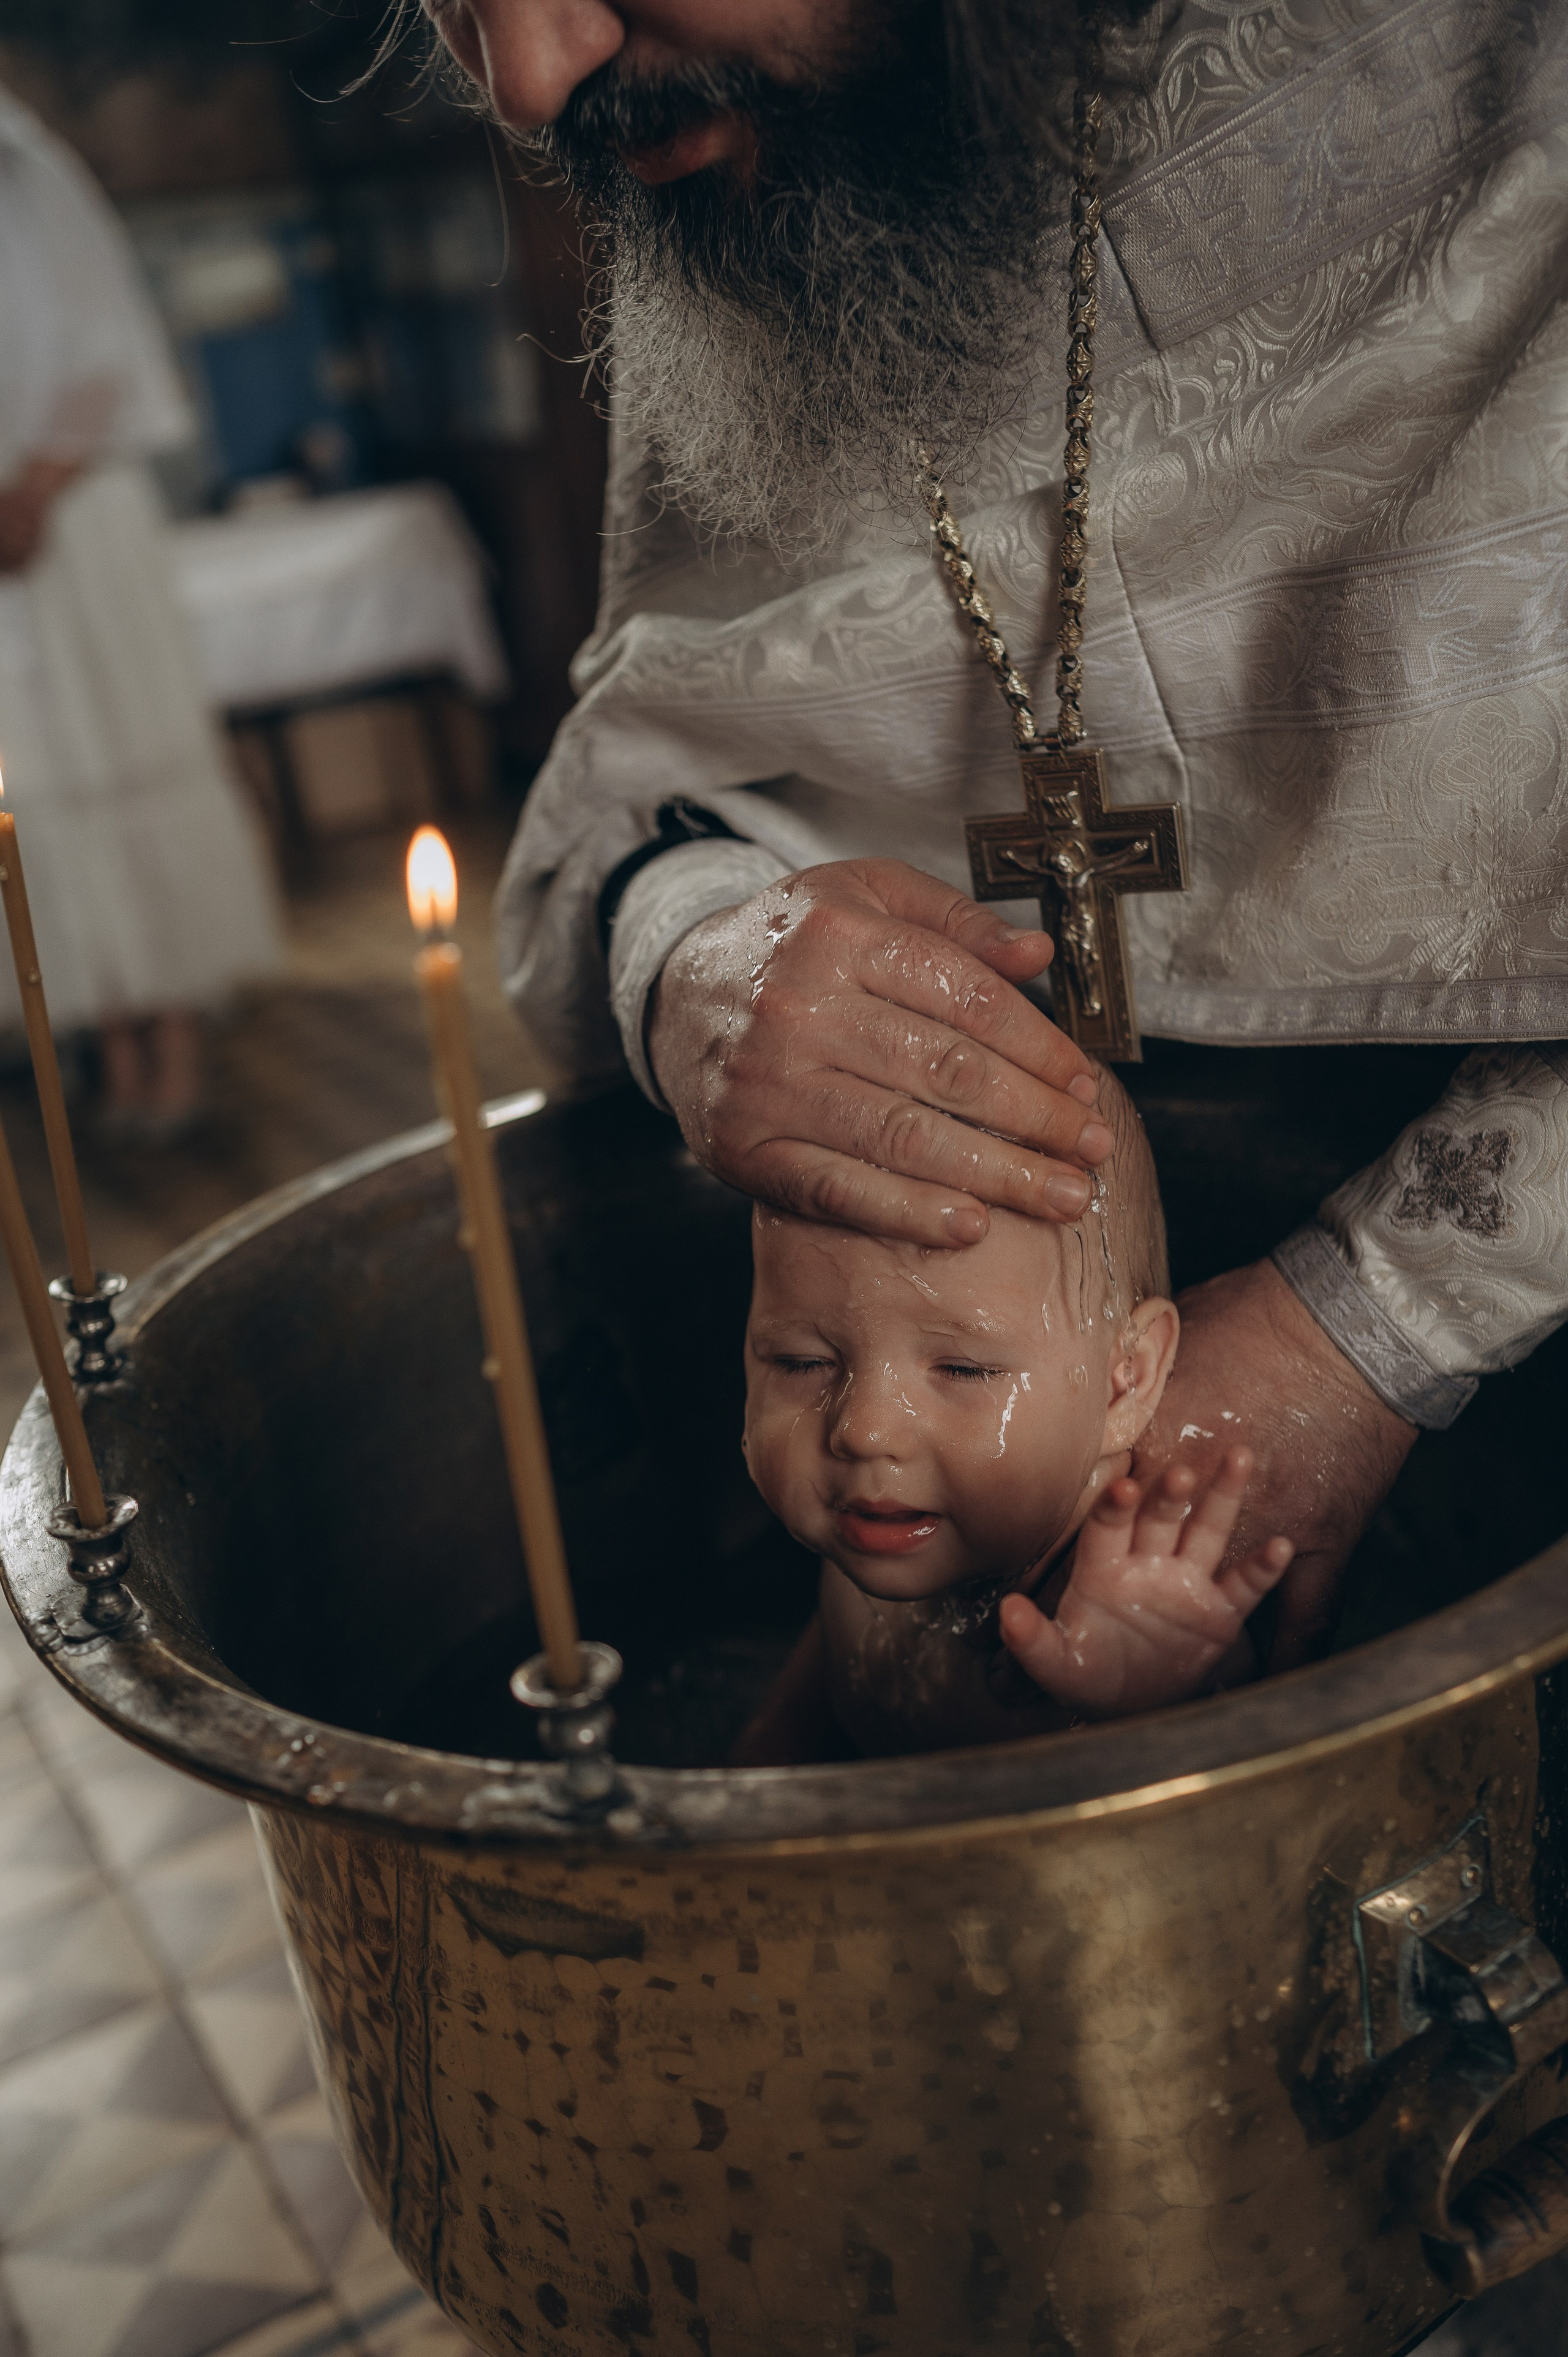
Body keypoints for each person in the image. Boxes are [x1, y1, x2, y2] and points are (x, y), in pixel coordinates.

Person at [425, 0, 1567, 1662]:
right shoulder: (758, 173)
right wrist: (697, 946)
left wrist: (1373, 1327)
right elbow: (673, 763)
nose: (530, 78)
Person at [736, 1062, 1296, 1761]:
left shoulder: (1143, 1601)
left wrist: (1147, 1703)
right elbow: (839, 1633)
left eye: (964, 1369)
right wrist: (771, 1741)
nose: (863, 1430)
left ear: (1125, 1380)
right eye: (800, 1361)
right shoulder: (889, 1516)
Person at [0, 84, 282, 1136]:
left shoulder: (27, 164)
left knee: (126, 750)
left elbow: (107, 347)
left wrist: (31, 488)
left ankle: (170, 1032)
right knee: (36, 786)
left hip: (71, 510)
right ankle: (101, 1031)